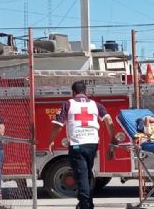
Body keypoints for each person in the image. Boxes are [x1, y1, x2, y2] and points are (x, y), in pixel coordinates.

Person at [48, 81, 117, 209]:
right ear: (86, 92)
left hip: (77, 144)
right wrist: (113, 138)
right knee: (86, 174)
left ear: (73, 93)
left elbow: (57, 125)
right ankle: (87, 203)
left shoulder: (68, 104)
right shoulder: (96, 105)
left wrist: (51, 140)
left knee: (81, 176)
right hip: (92, 144)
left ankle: (85, 205)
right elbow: (109, 120)